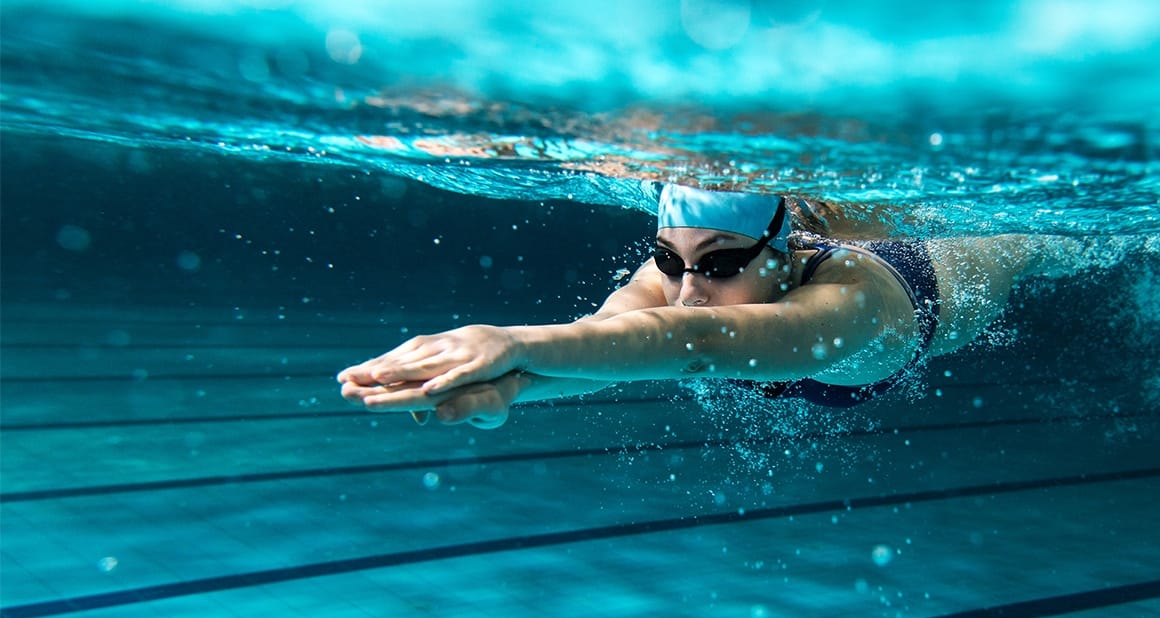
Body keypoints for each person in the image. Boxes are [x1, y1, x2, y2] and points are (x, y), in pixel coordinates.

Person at [338, 184, 1061, 429]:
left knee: (1038, 241)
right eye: (668, 259)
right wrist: (508, 391)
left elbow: (699, 342)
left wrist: (509, 341)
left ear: (783, 257)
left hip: (945, 277)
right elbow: (605, 343)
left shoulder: (852, 304)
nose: (686, 289)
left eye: (717, 264)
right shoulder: (683, 282)